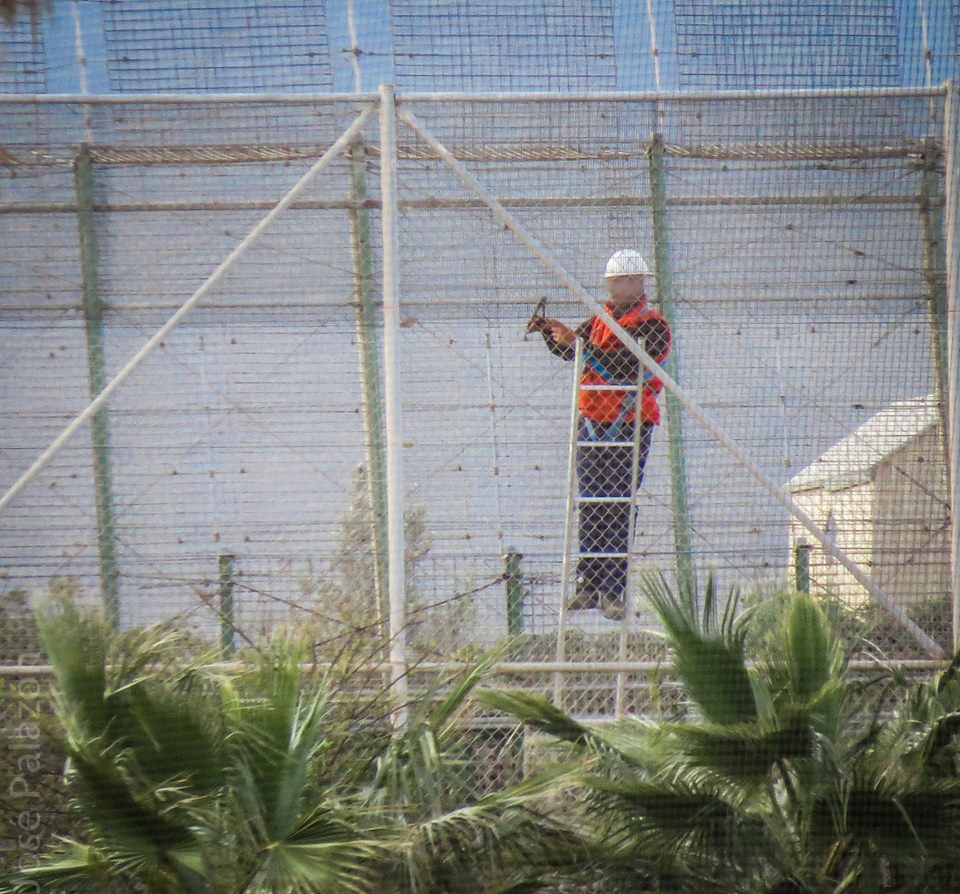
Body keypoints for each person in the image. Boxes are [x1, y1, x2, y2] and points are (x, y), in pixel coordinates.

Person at [526, 249, 671, 620]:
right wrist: (551, 333)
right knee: (591, 501)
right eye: (610, 282)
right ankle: (588, 583)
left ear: (637, 283)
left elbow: (625, 368)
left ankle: (612, 588)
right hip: (593, 421)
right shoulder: (601, 319)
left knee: (618, 503)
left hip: (629, 423)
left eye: (618, 281)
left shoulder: (653, 327)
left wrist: (580, 346)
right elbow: (574, 354)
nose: (611, 288)